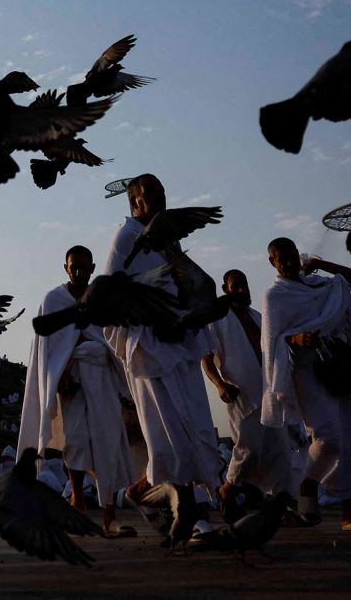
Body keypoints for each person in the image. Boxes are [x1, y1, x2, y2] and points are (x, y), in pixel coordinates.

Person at [101, 177, 219, 499]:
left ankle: (142, 495)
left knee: (196, 430)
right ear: (135, 202)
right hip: (150, 350)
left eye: (163, 190)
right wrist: (156, 317)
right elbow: (112, 300)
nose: (161, 196)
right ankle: (191, 517)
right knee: (171, 441)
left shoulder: (168, 239)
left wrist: (191, 312)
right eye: (152, 192)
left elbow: (180, 285)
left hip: (180, 343)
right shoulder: (125, 238)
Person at [260, 237, 351, 530]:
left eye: (293, 257)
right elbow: (272, 341)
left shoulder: (321, 284)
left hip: (340, 366)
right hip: (306, 371)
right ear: (273, 263)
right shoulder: (275, 295)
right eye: (282, 259)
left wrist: (320, 264)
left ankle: (349, 514)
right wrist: (296, 338)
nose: (289, 263)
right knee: (327, 438)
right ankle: (306, 486)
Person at [18, 244, 137, 536]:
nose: (79, 271)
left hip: (102, 377)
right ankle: (77, 499)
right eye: (74, 266)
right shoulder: (53, 300)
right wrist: (58, 377)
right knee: (77, 441)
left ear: (93, 268)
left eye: (85, 266)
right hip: (71, 381)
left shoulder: (102, 299)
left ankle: (109, 512)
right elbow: (46, 349)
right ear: (66, 268)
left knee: (108, 443)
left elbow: (115, 339)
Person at [203, 269, 297, 495]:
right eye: (235, 286)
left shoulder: (259, 318)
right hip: (242, 395)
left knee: (281, 452)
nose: (241, 290)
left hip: (271, 393)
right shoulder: (217, 320)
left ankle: (282, 506)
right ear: (226, 290)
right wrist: (220, 385)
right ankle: (228, 488)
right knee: (248, 451)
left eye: (243, 284)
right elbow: (206, 358)